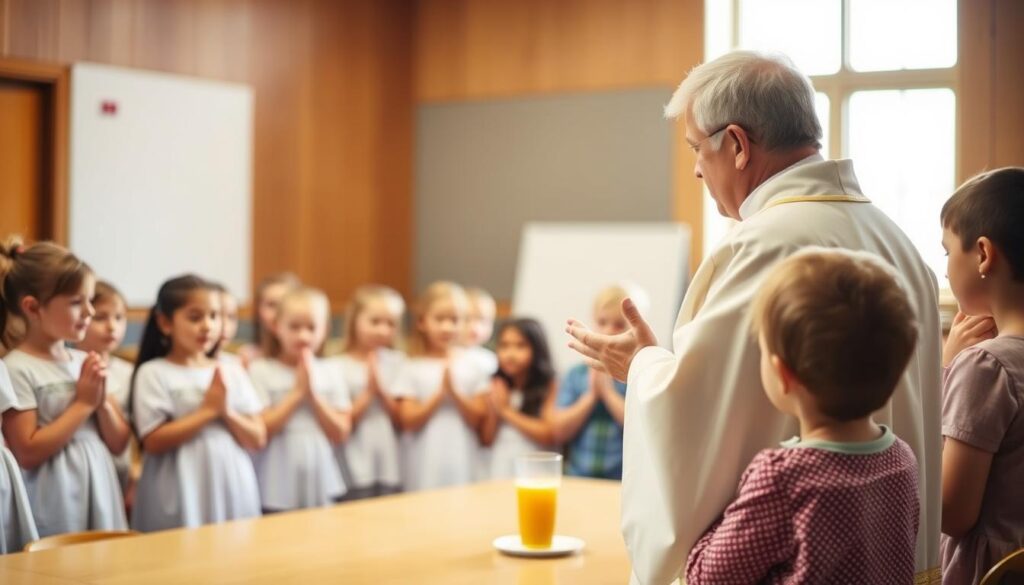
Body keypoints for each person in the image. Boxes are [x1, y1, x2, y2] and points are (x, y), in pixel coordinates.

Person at [566, 50, 942, 584]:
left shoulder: (765, 245)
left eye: (698, 148)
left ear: (738, 145)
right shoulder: (895, 238)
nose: (696, 167)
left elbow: (706, 411)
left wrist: (644, 366)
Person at [938, 168, 1024, 583]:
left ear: (983, 254)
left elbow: (951, 512)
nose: (946, 269)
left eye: (947, 251)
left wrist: (948, 369)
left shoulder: (986, 366)